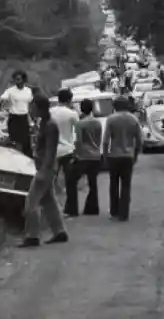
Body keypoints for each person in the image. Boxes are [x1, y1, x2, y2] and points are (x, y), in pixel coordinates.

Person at [19, 95, 68, 248]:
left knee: (31, 203)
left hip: (45, 169)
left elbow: (50, 151)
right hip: (44, 167)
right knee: (49, 201)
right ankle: (60, 232)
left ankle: (32, 236)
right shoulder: (44, 123)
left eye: (33, 107)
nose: (31, 110)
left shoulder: (50, 125)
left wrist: (44, 171)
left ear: (40, 108)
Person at [102, 95, 143, 221]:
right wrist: (136, 155)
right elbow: (140, 140)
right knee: (126, 184)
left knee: (113, 184)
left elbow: (105, 141)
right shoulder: (134, 119)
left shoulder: (111, 119)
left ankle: (114, 211)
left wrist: (105, 156)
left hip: (114, 155)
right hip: (128, 156)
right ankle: (124, 213)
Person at [64, 99, 102, 217]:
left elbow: (79, 141)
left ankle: (72, 209)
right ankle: (93, 208)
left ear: (81, 108)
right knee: (93, 182)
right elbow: (98, 139)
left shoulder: (80, 124)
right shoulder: (97, 122)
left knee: (71, 180)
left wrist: (75, 155)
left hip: (84, 156)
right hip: (95, 155)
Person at [50, 88, 80, 186]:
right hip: (67, 150)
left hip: (52, 149)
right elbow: (78, 130)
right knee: (70, 179)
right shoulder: (72, 114)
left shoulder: (49, 112)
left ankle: (52, 195)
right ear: (69, 100)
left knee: (52, 177)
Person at [1, 70, 33, 157]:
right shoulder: (10, 91)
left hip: (24, 118)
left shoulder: (28, 91)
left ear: (23, 80)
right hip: (14, 118)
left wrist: (31, 121)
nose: (17, 81)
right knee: (16, 142)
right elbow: (2, 100)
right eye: (15, 79)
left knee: (26, 141)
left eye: (19, 79)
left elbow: (28, 105)